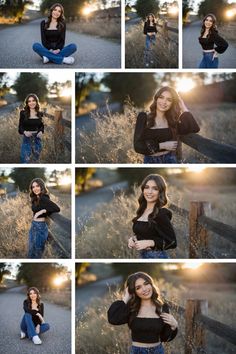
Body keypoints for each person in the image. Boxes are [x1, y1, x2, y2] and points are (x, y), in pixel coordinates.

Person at [108, 272, 178, 354]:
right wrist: (125, 298)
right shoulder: (131, 308)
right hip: (138, 351)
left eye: (146, 284)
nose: (144, 289)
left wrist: (174, 326)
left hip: (158, 351)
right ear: (133, 291)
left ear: (151, 284)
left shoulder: (162, 307)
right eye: (138, 288)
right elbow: (113, 319)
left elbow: (165, 338)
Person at [133, 86, 200, 163]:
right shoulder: (143, 116)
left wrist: (183, 107)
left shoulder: (172, 121)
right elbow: (137, 146)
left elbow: (195, 128)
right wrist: (162, 146)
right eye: (161, 97)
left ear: (172, 103)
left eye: (169, 100)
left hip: (170, 159)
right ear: (156, 98)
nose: (164, 102)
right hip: (150, 161)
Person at [128, 174, 176, 259]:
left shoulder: (161, 214)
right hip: (143, 256)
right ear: (143, 189)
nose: (149, 192)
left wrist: (150, 242)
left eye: (155, 189)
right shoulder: (141, 211)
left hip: (157, 257)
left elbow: (172, 242)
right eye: (147, 187)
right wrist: (133, 239)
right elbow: (146, 232)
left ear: (160, 192)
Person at [28, 178, 60, 258]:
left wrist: (42, 211)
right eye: (33, 187)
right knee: (31, 250)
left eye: (37, 186)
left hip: (40, 227)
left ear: (42, 186)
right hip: (34, 226)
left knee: (37, 253)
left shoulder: (43, 198)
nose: (35, 188)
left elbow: (56, 208)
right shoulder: (36, 198)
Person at [18, 94, 44, 163]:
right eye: (29, 101)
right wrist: (25, 132)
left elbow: (41, 126)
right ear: (27, 103)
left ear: (36, 101)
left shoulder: (40, 113)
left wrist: (41, 131)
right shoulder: (23, 113)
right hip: (27, 139)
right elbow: (20, 128)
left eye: (33, 100)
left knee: (35, 161)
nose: (31, 103)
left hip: (37, 140)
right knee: (24, 161)